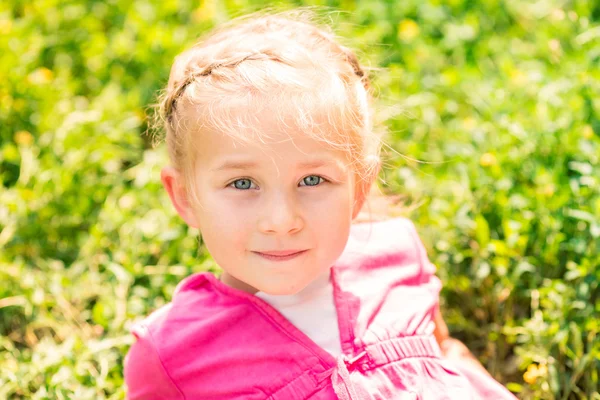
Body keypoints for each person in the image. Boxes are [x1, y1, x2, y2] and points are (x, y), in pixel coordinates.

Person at [123, 9, 517, 400]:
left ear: (360, 186)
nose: (281, 220)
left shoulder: (395, 257)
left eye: (312, 180)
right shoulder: (171, 356)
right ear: (185, 197)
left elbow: (448, 355)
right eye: (242, 183)